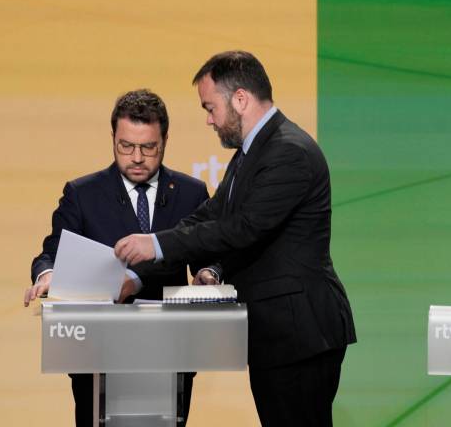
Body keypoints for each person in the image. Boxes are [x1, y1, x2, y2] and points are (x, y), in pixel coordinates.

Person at [114, 51, 356, 427]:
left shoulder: (287, 151)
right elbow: (212, 215)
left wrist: (156, 246)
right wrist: (166, 254)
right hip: (277, 336)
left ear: (240, 99)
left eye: (210, 107)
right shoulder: (252, 152)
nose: (209, 119)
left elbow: (245, 227)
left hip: (300, 335)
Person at [25, 89, 209, 426]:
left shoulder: (190, 194)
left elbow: (208, 258)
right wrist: (48, 274)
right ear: (113, 138)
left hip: (168, 354)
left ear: (165, 140)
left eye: (148, 147)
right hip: (97, 355)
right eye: (126, 146)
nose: (137, 157)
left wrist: (209, 273)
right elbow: (50, 253)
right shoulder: (82, 194)